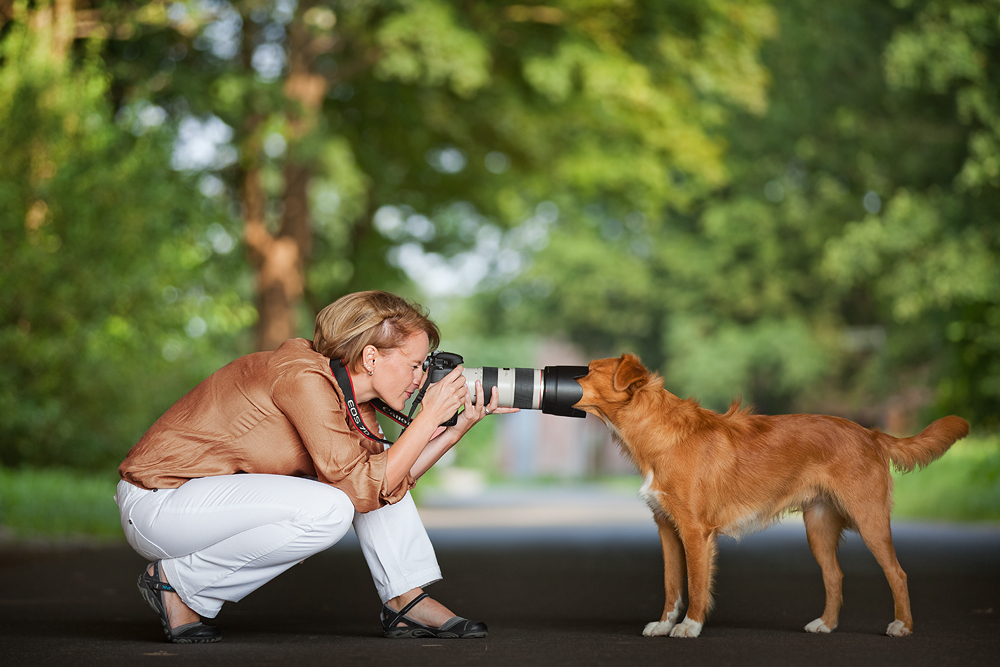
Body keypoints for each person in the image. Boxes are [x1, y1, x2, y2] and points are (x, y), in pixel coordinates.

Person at [115, 290, 516, 643]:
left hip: (210, 507)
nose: (421, 376)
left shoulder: (353, 399)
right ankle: (177, 583)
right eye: (414, 364)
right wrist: (427, 419)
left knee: (372, 471)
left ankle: (405, 599)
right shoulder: (301, 376)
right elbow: (362, 489)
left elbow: (385, 481)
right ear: (371, 357)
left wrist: (452, 431)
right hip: (160, 505)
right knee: (331, 507)